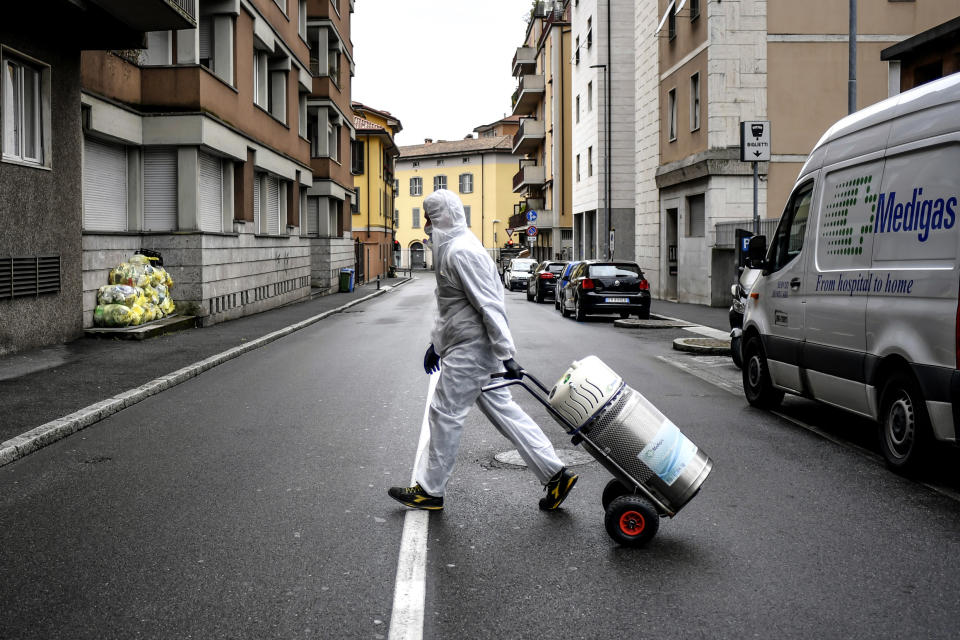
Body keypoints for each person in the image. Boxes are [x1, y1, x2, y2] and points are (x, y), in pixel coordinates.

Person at [388, 189, 578, 511]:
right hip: (469, 347)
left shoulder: (461, 252)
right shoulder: (454, 249)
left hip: (472, 351)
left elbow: (489, 304)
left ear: (442, 217)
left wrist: (506, 354)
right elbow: (452, 308)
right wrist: (436, 345)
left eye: (428, 217)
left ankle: (430, 490)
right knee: (506, 412)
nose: (425, 225)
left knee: (444, 413)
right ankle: (555, 473)